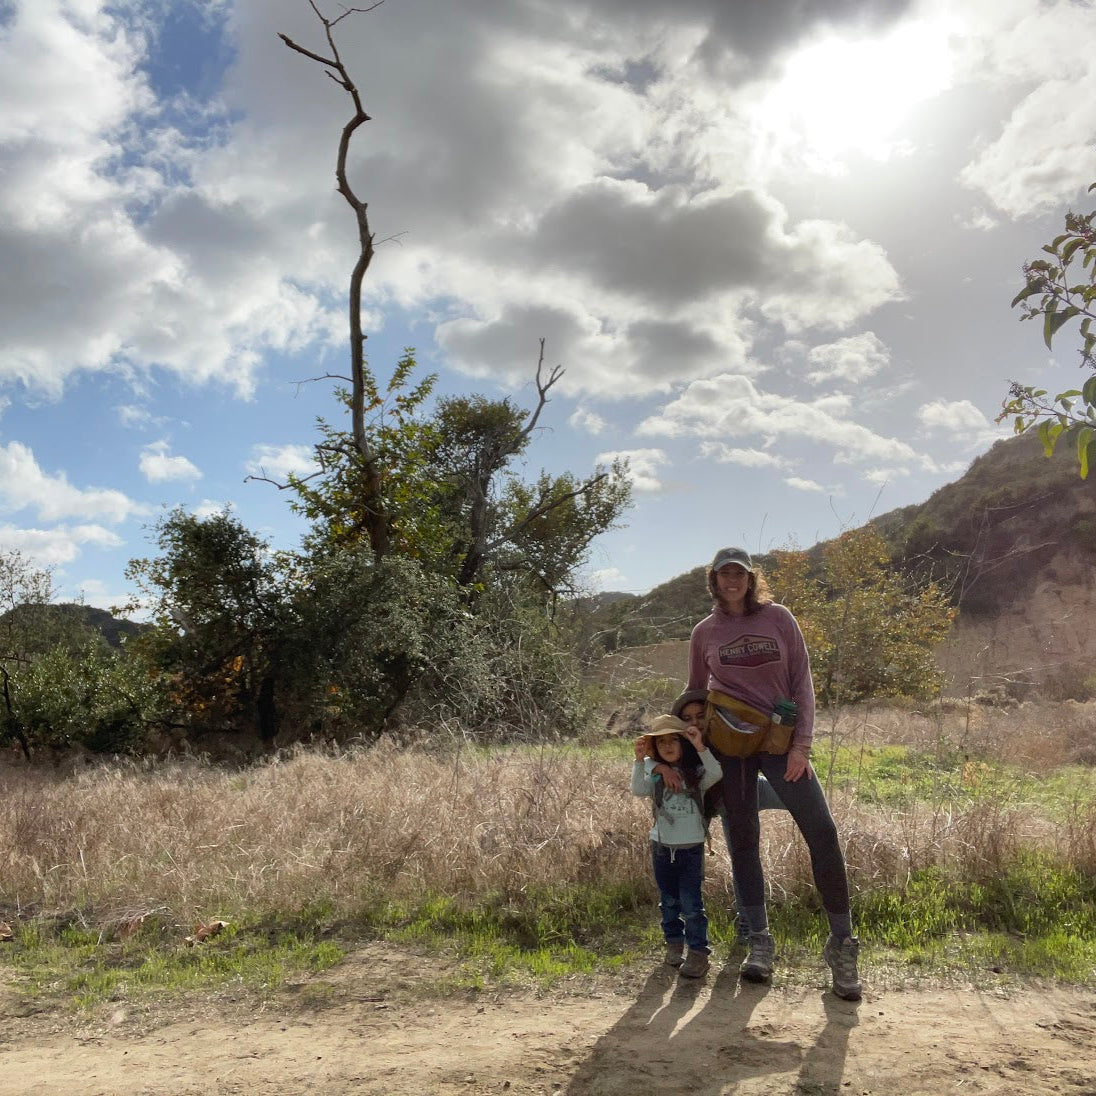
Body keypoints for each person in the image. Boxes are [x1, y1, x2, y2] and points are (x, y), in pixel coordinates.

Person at [687, 546, 861, 1001]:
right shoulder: (704, 632)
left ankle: (842, 944)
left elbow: (802, 680)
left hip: (782, 745)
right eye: (724, 574)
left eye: (739, 574)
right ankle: (760, 942)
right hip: (731, 749)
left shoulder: (779, 618)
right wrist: (689, 729)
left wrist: (802, 745)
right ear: (714, 579)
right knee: (743, 837)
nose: (732, 581)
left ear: (750, 578)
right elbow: (693, 691)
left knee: (821, 831)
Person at [668, 687, 786, 943]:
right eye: (687, 719)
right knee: (689, 862)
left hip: (736, 799)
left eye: (700, 715)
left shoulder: (725, 734)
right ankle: (686, 925)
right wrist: (658, 766)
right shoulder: (675, 745)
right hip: (699, 806)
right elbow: (653, 756)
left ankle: (748, 922)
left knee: (742, 856)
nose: (695, 723)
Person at [631, 714, 722, 979]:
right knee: (668, 901)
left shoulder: (697, 774)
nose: (668, 747)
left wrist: (699, 744)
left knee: (692, 904)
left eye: (674, 740)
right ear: (655, 749)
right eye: (661, 743)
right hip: (661, 847)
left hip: (691, 848)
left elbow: (716, 772)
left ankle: (698, 953)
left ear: (684, 744)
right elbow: (637, 789)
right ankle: (674, 944)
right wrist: (644, 762)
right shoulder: (656, 775)